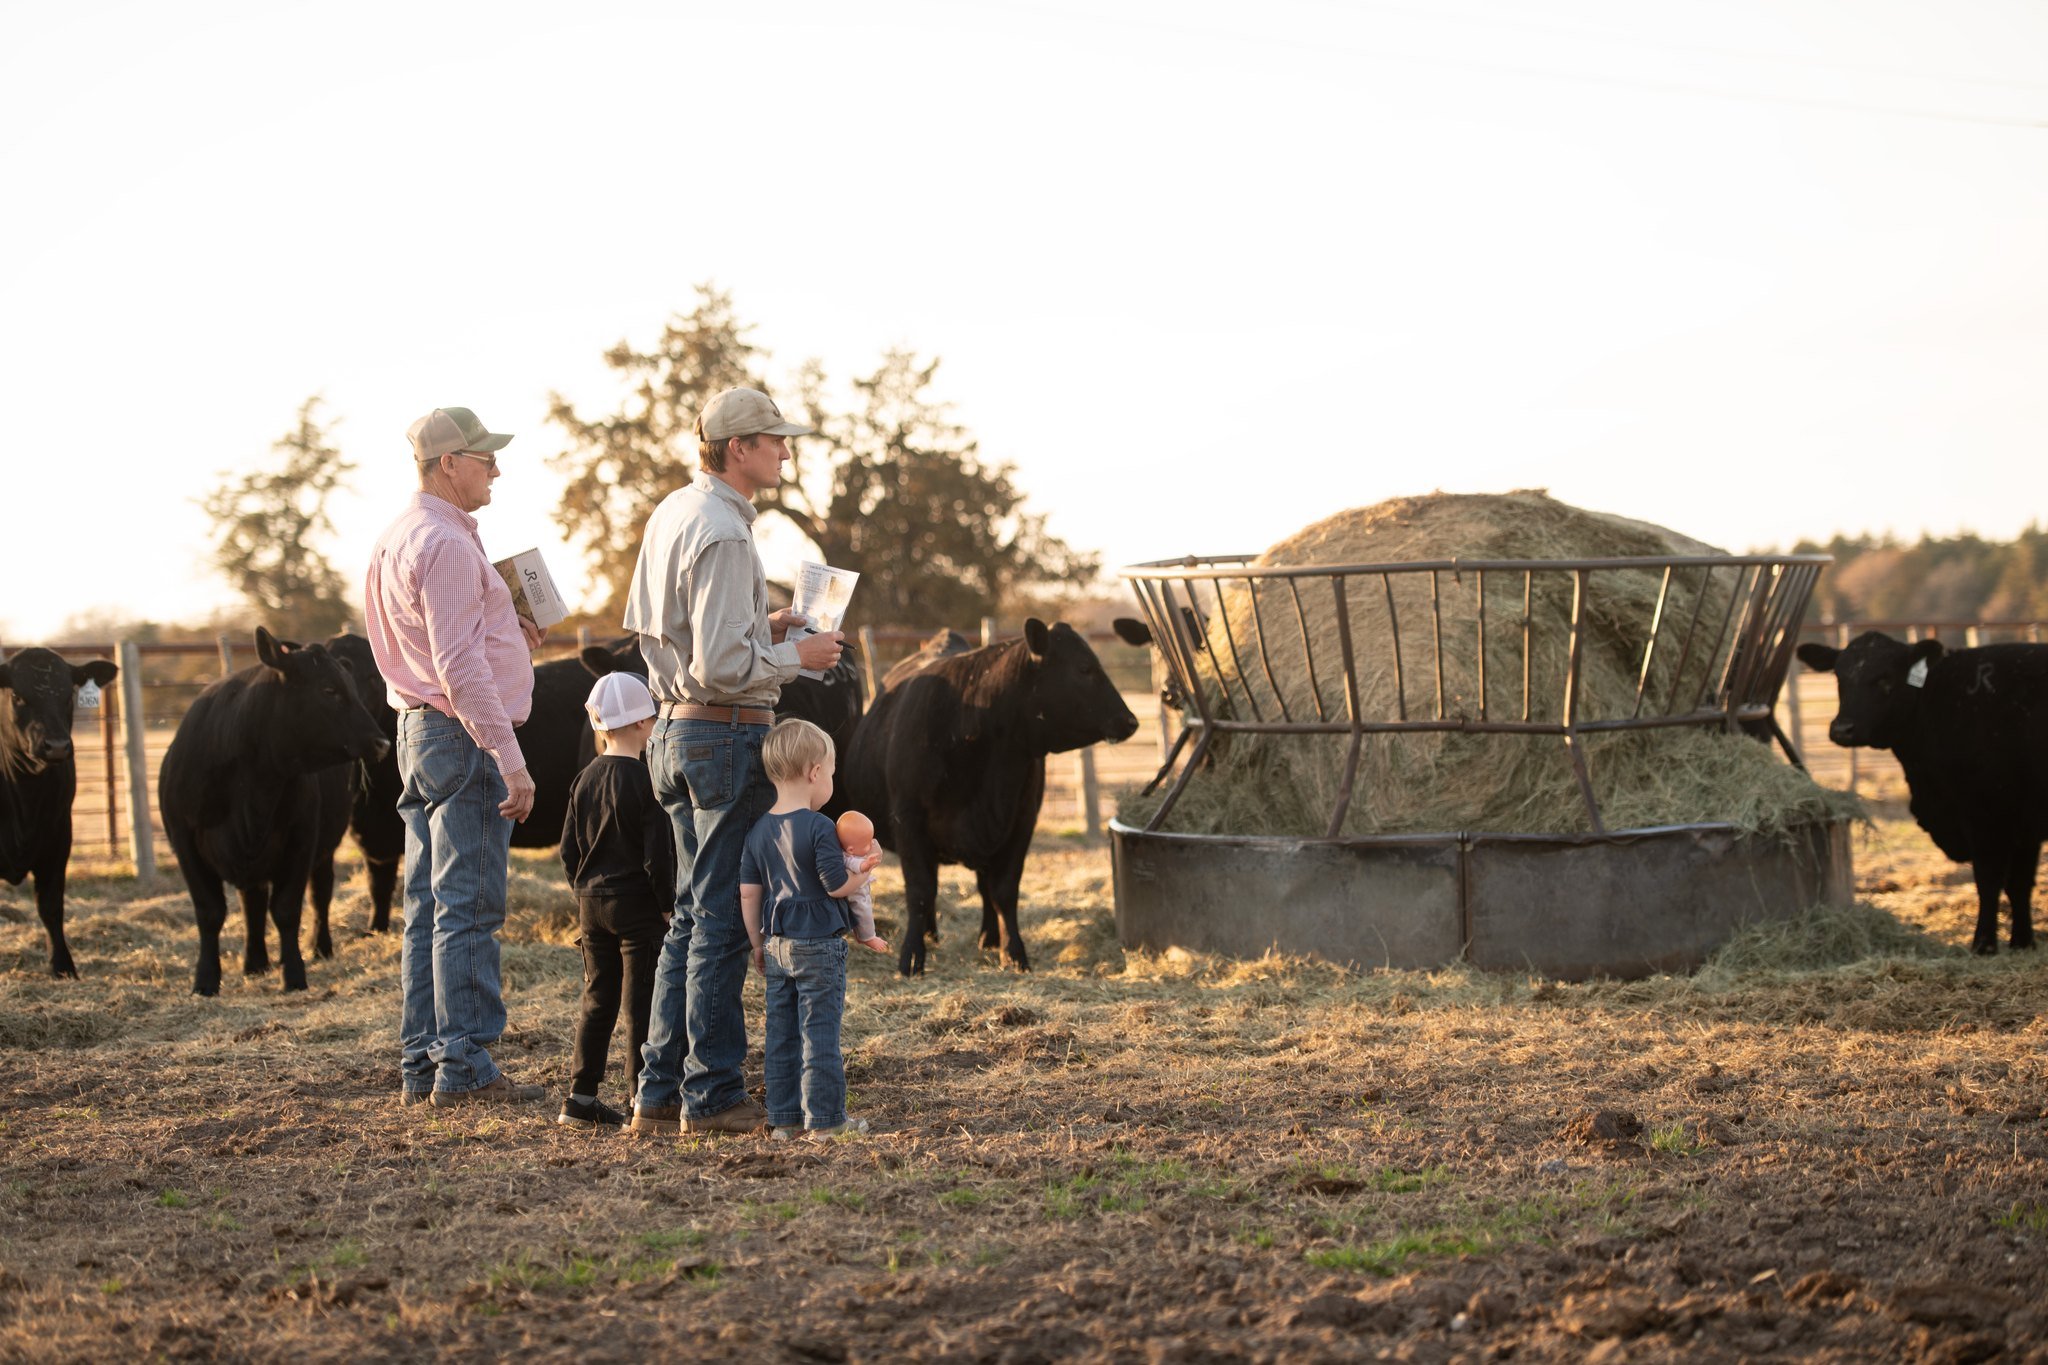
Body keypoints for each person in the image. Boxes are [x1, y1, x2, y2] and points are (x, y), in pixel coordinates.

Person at [621, 387, 847, 1136]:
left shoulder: (674, 513)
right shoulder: (723, 530)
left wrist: (765, 623)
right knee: (719, 919)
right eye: (774, 440)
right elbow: (721, 665)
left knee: (690, 916)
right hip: (723, 731)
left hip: (678, 732)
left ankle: (658, 1092)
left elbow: (680, 636)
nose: (785, 450)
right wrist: (796, 654)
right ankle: (712, 1094)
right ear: (738, 448)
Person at [365, 406, 546, 1108]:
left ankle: (425, 1059)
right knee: (467, 904)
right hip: (463, 734)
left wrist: (511, 636)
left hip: (421, 728)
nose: (495, 468)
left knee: (428, 905)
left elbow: (437, 651)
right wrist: (510, 754)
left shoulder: (396, 539)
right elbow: (457, 661)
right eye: (484, 457)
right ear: (449, 463)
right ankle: (465, 1065)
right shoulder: (443, 544)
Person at [740, 719, 885, 1140]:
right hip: (818, 947)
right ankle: (826, 1121)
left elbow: (749, 893)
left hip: (776, 943)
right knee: (819, 1032)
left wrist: (756, 944)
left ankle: (784, 1121)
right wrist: (865, 874)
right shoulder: (820, 826)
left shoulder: (758, 831)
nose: (832, 781)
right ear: (814, 772)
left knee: (781, 1033)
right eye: (833, 772)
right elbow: (836, 884)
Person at [556, 671, 675, 1128]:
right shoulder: (648, 782)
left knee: (597, 1000)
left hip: (591, 904)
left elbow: (568, 849)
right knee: (639, 1002)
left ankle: (580, 1099)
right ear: (645, 723)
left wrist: (583, 890)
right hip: (638, 908)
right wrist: (666, 905)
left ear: (598, 724)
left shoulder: (583, 779)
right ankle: (639, 1099)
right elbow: (658, 855)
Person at [832, 809, 890, 954]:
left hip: (856, 887)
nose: (871, 844)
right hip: (856, 891)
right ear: (851, 849)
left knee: (858, 913)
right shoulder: (848, 857)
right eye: (867, 843)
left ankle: (860, 933)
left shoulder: (848, 851)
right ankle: (868, 936)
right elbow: (856, 866)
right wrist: (867, 865)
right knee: (863, 910)